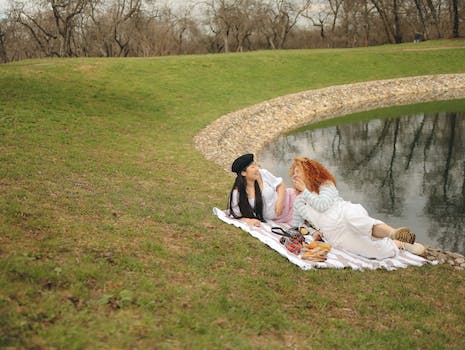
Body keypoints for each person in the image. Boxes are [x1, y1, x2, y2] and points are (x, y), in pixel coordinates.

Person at [289, 157, 426, 259]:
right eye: (293, 173)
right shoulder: (299, 202)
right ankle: (399, 244)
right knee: (376, 252)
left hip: (343, 213)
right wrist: (312, 231)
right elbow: (297, 225)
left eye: (298, 171)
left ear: (309, 172)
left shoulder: (325, 184)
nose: (294, 175)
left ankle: (393, 233)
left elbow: (323, 205)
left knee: (362, 223)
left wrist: (305, 190)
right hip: (334, 233)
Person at [228, 153, 295, 227]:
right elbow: (236, 215)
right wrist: (249, 220)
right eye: (253, 167)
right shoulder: (237, 194)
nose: (257, 168)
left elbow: (280, 185)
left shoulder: (263, 174)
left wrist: (280, 202)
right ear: (243, 173)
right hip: (281, 219)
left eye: (256, 165)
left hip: (291, 201)